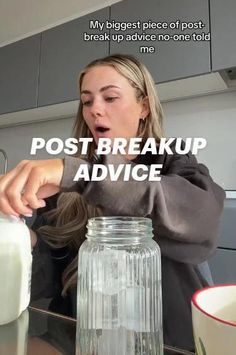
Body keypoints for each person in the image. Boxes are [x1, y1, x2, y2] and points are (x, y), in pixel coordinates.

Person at [0, 54, 225, 350]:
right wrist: (20, 239)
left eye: (110, 97)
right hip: (77, 336)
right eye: (87, 101)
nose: (95, 110)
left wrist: (81, 174)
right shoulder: (64, 189)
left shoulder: (172, 163)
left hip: (167, 341)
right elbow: (46, 279)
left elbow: (201, 220)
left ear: (143, 106)